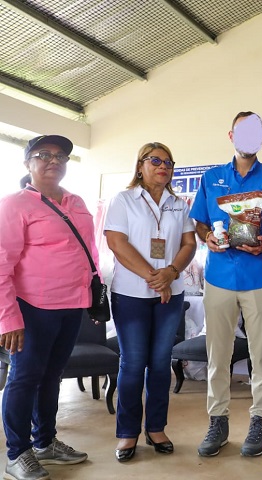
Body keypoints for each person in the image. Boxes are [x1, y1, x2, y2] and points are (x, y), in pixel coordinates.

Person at [190, 112, 262, 458]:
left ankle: (260, 419)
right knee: (218, 355)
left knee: (261, 355)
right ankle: (218, 421)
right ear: (231, 134)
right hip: (218, 276)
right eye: (242, 131)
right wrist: (209, 240)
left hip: (260, 276)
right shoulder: (212, 177)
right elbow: (200, 223)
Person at [0, 135, 94, 480]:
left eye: (60, 156)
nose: (53, 161)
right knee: (25, 378)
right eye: (43, 155)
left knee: (52, 376)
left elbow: (89, 251)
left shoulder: (77, 201)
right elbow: (1, 262)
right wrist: (8, 317)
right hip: (32, 307)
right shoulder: (15, 204)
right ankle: (17, 452)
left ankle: (45, 442)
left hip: (72, 306)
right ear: (28, 163)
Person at [104, 142, 197, 462]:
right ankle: (127, 433)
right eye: (155, 160)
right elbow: (116, 242)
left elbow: (188, 243)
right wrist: (154, 277)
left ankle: (156, 427)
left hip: (170, 294)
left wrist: (170, 273)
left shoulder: (178, 204)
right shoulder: (123, 200)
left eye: (169, 162)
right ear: (140, 166)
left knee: (160, 364)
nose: (164, 166)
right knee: (132, 364)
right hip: (131, 294)